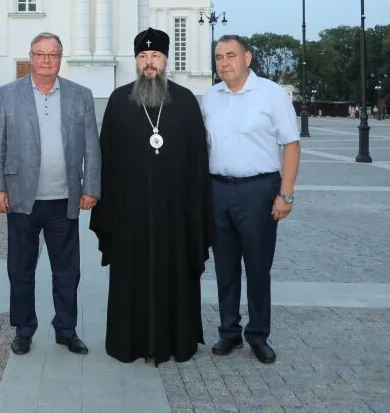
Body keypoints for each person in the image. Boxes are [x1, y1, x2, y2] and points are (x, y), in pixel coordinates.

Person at [89, 27, 212, 365]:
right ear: (136, 61)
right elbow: (106, 159)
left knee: (175, 274)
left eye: (155, 56)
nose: (149, 62)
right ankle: (128, 342)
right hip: (130, 216)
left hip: (176, 214)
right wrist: (107, 211)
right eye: (143, 56)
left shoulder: (186, 101)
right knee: (132, 279)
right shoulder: (118, 100)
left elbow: (199, 160)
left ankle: (177, 340)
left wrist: (197, 213)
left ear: (165, 60)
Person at [0, 32, 100, 356]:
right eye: (40, 54)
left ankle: (66, 329)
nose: (46, 60)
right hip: (22, 199)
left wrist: (90, 187)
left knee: (68, 272)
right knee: (21, 269)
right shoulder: (8, 94)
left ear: (60, 58)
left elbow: (92, 146)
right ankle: (24, 329)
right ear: (31, 57)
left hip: (64, 199)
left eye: (53, 54)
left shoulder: (81, 95)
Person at [201, 34, 300, 365]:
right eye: (218, 57)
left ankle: (258, 335)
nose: (224, 62)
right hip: (218, 191)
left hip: (258, 191)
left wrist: (285, 194)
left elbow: (291, 144)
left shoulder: (270, 94)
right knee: (225, 267)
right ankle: (229, 332)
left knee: (258, 268)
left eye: (231, 55)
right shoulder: (210, 97)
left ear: (248, 58)